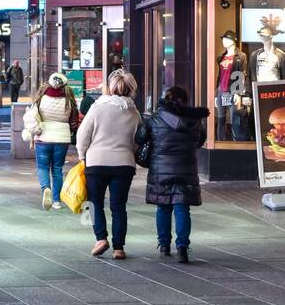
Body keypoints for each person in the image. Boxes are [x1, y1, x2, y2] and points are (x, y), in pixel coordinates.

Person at [136, 85, 208, 263]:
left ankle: (164, 245)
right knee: (182, 208)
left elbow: (139, 138)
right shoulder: (195, 120)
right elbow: (200, 141)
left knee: (163, 207)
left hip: (161, 170)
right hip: (186, 169)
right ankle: (182, 247)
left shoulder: (154, 119)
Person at [76, 69, 141, 259]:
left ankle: (101, 239)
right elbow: (137, 141)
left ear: (110, 87)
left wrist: (82, 156)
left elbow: (82, 135)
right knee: (119, 207)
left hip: (96, 162)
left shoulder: (98, 107)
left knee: (94, 203)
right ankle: (119, 248)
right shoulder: (134, 112)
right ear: (131, 89)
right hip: (124, 164)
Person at [23, 72, 78, 210]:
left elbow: (33, 114)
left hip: (43, 137)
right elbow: (73, 120)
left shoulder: (42, 96)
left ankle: (45, 188)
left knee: (42, 167)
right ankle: (56, 201)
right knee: (57, 169)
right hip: (62, 138)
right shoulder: (68, 97)